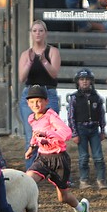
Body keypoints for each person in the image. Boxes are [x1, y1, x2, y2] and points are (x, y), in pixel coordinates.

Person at [23, 85, 90, 212]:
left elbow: (66, 132)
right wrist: (32, 147)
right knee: (27, 182)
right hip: (42, 158)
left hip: (59, 159)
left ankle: (81, 209)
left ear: (46, 102)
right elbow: (36, 134)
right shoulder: (31, 118)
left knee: (63, 197)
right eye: (32, 102)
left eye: (39, 101)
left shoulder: (51, 116)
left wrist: (48, 134)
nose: (36, 105)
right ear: (28, 103)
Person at [17, 20, 62, 162]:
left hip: (48, 93)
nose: (38, 33)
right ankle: (31, 170)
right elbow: (21, 78)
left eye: (41, 31)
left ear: (45, 33)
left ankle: (54, 168)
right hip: (31, 94)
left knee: (51, 133)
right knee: (31, 135)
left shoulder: (53, 51)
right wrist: (30, 62)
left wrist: (43, 61)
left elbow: (54, 73)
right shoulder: (26, 54)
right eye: (35, 31)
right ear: (31, 34)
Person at [66, 68, 106, 189]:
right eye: (82, 79)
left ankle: (101, 180)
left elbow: (101, 114)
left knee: (98, 156)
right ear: (77, 82)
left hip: (94, 129)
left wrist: (102, 129)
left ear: (91, 81)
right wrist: (74, 133)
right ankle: (84, 180)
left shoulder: (96, 97)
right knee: (83, 157)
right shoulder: (74, 98)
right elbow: (71, 116)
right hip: (80, 129)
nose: (84, 82)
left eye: (87, 79)